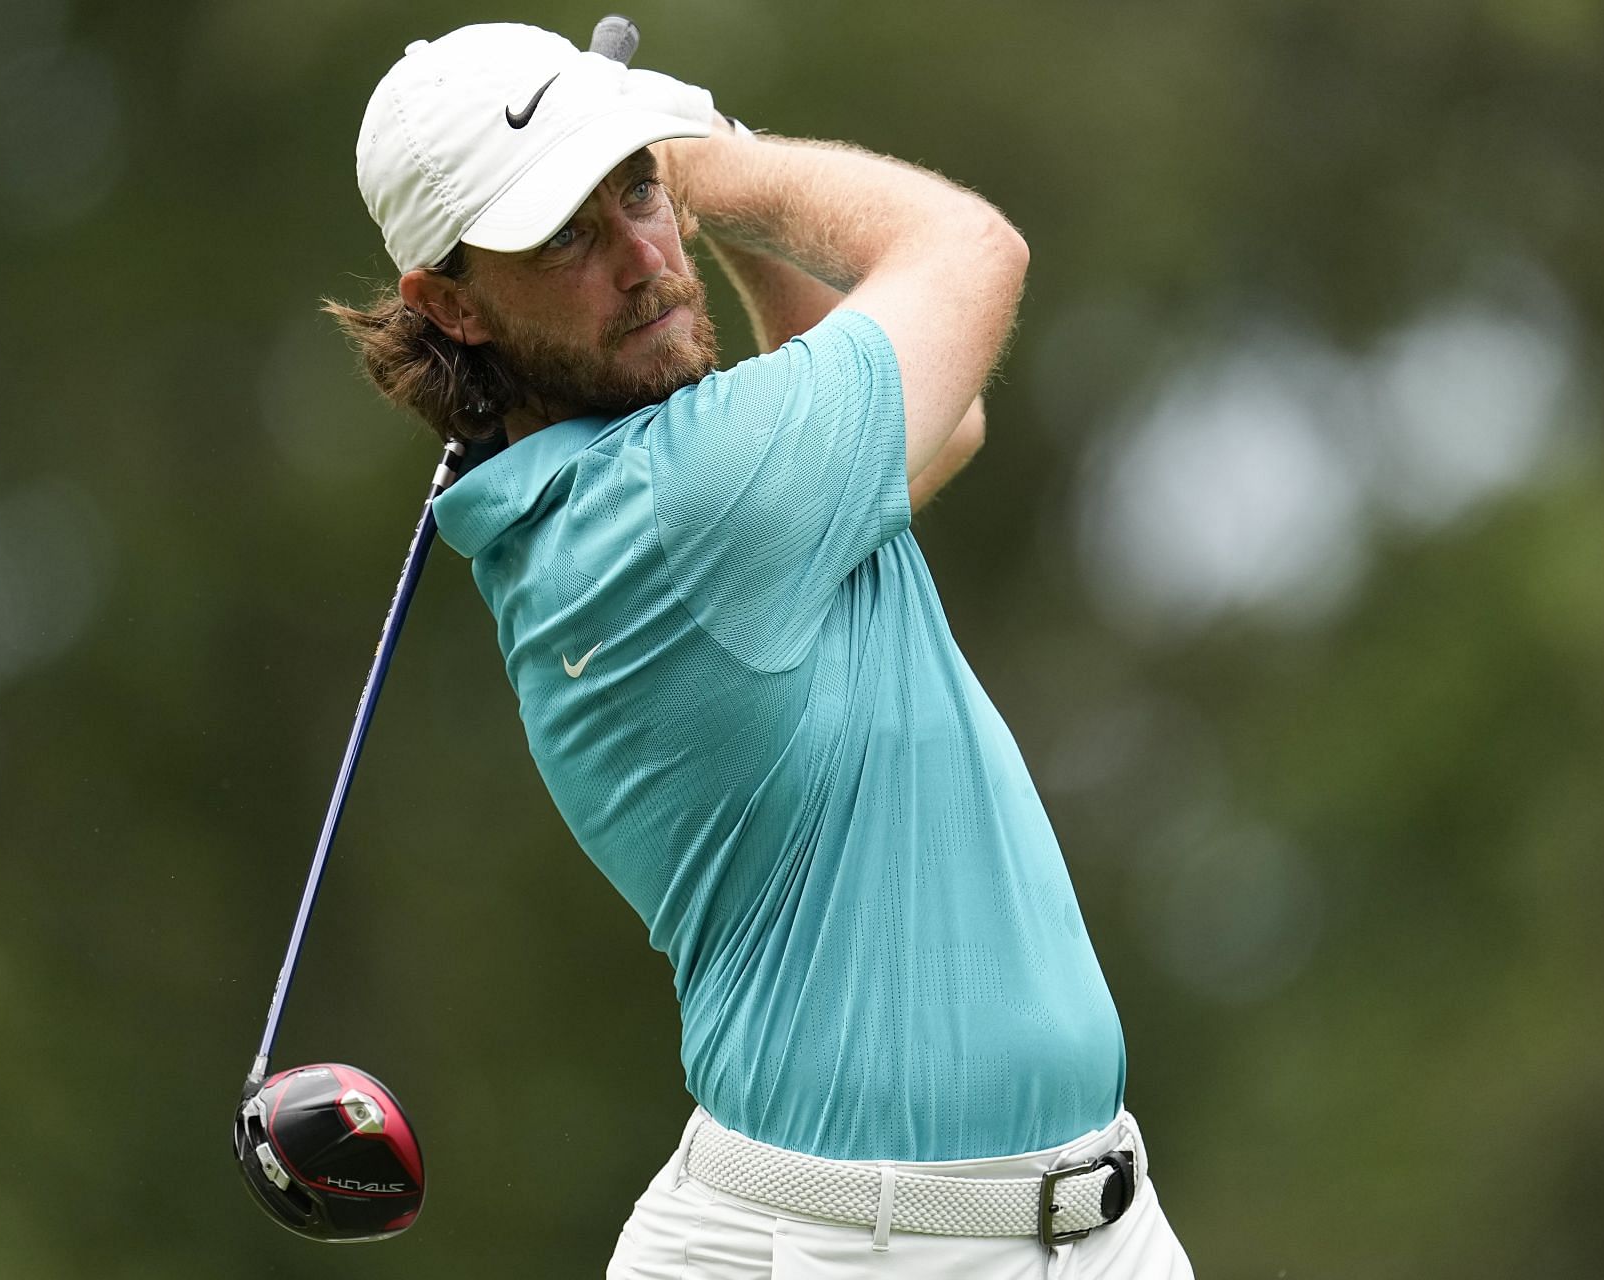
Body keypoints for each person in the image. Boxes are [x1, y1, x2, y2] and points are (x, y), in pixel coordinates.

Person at [331, 22, 1196, 1279]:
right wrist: (701, 161)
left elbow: (939, 417)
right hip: (856, 1250)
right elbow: (971, 250)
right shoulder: (679, 505)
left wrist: (652, 172)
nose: (640, 257)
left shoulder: (647, 489)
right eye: (567, 231)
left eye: (635, 195)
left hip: (1084, 1227)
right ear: (451, 303)